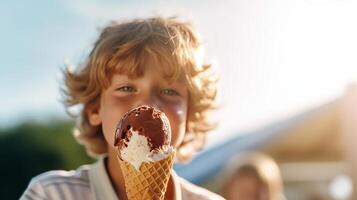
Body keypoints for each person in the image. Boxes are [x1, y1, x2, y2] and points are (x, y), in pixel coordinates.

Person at [20, 16, 224, 200]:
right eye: (126, 88)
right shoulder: (52, 194)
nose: (148, 105)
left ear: (189, 116)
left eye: (170, 92)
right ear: (94, 109)